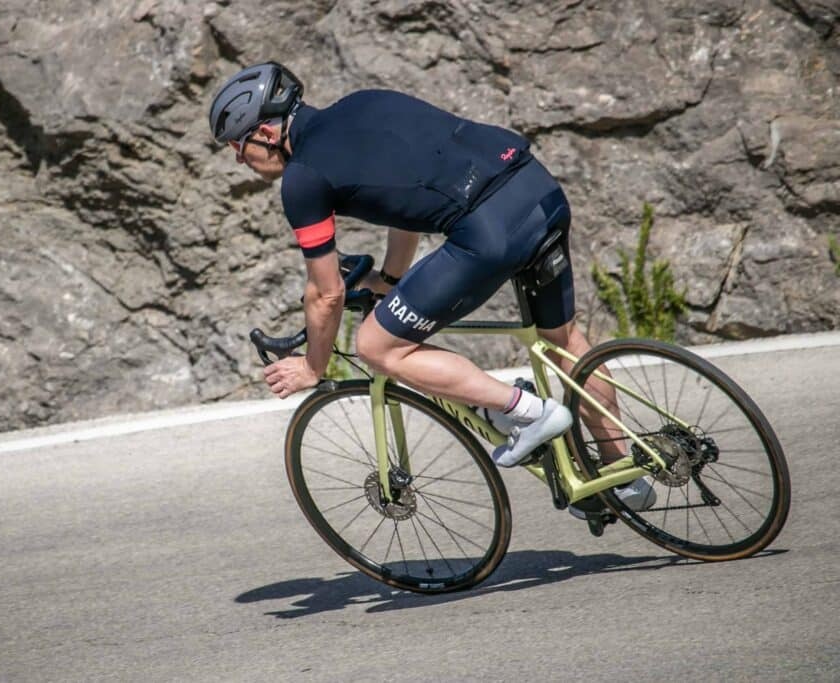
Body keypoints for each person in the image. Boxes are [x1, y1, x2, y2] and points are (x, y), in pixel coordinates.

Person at [208, 62, 655, 514]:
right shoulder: (364, 101)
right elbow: (406, 207)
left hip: (489, 230)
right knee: (562, 340)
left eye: (237, 146)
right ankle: (624, 474)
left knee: (377, 346)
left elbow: (325, 294)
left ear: (265, 132)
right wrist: (392, 282)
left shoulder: (302, 179)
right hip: (536, 187)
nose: (238, 159)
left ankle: (528, 413)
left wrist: (313, 365)